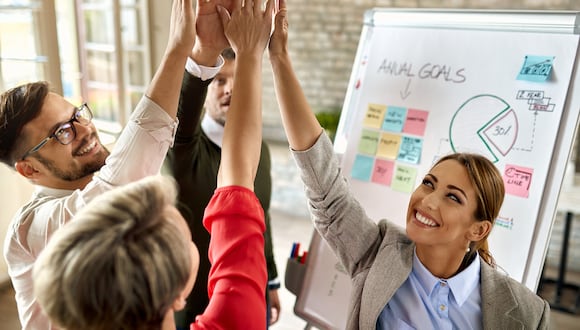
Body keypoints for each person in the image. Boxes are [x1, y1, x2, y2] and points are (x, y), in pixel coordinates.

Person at [268, 1, 550, 329]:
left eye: (453, 196)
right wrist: (279, 58)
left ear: (478, 229)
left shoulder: (527, 313)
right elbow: (325, 185)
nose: (428, 200)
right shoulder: (378, 253)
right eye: (429, 183)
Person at [32, 0, 275, 329]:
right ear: (177, 296)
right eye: (171, 227)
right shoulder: (231, 318)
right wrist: (254, 53)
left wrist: (229, 53)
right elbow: (238, 178)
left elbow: (246, 189)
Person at [0, 0, 199, 328]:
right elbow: (112, 191)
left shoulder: (98, 176)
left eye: (76, 114)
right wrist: (178, 48)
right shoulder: (28, 230)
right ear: (29, 169)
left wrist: (200, 56)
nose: (84, 130)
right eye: (62, 132)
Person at [165, 46, 281, 328]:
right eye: (220, 80)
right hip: (193, 303)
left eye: (238, 80)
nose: (230, 89)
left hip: (251, 297)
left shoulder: (260, 150)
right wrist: (202, 52)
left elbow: (260, 216)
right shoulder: (183, 149)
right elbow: (185, 104)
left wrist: (272, 282)